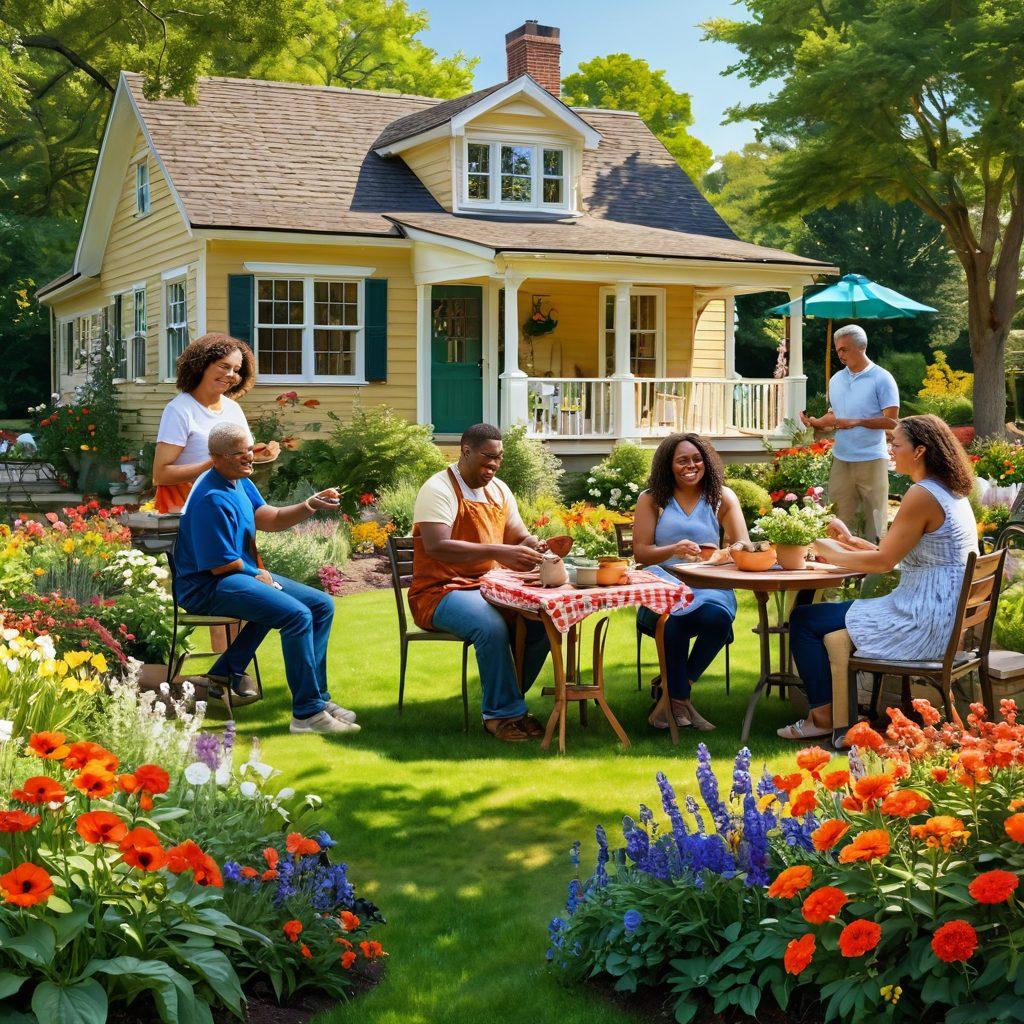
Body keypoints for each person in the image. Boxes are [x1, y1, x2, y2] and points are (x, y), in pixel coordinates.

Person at [782, 414, 978, 745]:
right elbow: (894, 553)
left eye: (896, 444)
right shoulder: (949, 492)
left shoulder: (922, 494)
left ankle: (823, 718)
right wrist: (849, 542)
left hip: (920, 622)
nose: (890, 450)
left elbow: (884, 562)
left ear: (919, 451)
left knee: (804, 620)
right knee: (813, 618)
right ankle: (836, 714)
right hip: (938, 615)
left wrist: (824, 551)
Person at [173, 422, 357, 735]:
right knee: (296, 614)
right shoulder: (210, 498)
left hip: (233, 576)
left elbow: (269, 518)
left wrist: (309, 504)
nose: (249, 456)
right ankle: (307, 714)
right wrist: (256, 573)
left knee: (320, 605)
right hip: (206, 586)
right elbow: (219, 565)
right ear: (216, 457)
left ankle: (314, 698)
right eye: (239, 453)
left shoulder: (240, 482)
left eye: (250, 448)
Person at [410, 423, 550, 743]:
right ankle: (500, 716)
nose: (494, 464)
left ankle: (511, 704)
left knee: (540, 619)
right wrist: (499, 551)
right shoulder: (439, 488)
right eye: (488, 457)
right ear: (466, 451)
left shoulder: (499, 490)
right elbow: (436, 546)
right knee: (490, 625)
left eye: (499, 458)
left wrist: (533, 544)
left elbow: (518, 535)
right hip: (439, 591)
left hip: (490, 587)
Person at [631, 433, 749, 732]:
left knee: (719, 619)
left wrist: (724, 553)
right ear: (668, 465)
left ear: (706, 462)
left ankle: (673, 694)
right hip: (664, 582)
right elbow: (641, 552)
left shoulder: (721, 497)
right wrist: (673, 549)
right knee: (675, 622)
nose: (691, 466)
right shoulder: (652, 499)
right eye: (682, 460)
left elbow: (743, 544)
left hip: (710, 581)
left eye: (697, 459)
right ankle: (680, 700)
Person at [153, 333, 279, 514]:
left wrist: (258, 454)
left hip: (232, 503)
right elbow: (160, 475)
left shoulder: (233, 408)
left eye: (236, 370)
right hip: (195, 509)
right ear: (201, 365)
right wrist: (217, 463)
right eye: (224, 366)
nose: (231, 375)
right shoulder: (179, 410)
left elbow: (237, 456)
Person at [800, 324, 899, 543]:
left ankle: (875, 564)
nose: (840, 354)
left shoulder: (882, 378)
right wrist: (816, 423)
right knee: (838, 522)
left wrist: (857, 421)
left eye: (844, 349)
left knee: (875, 523)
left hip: (872, 459)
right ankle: (839, 563)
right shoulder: (836, 380)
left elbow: (892, 421)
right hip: (842, 459)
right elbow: (834, 417)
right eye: (838, 350)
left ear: (861, 347)